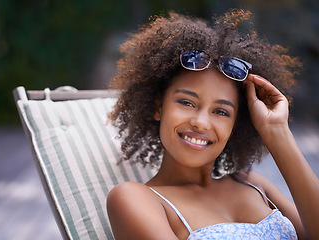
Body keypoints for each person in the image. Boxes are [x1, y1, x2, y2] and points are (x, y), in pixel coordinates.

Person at [106, 9, 319, 240]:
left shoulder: (254, 184)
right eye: (187, 102)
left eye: (221, 111)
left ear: (235, 123)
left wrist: (277, 131)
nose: (200, 122)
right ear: (159, 106)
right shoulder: (136, 198)